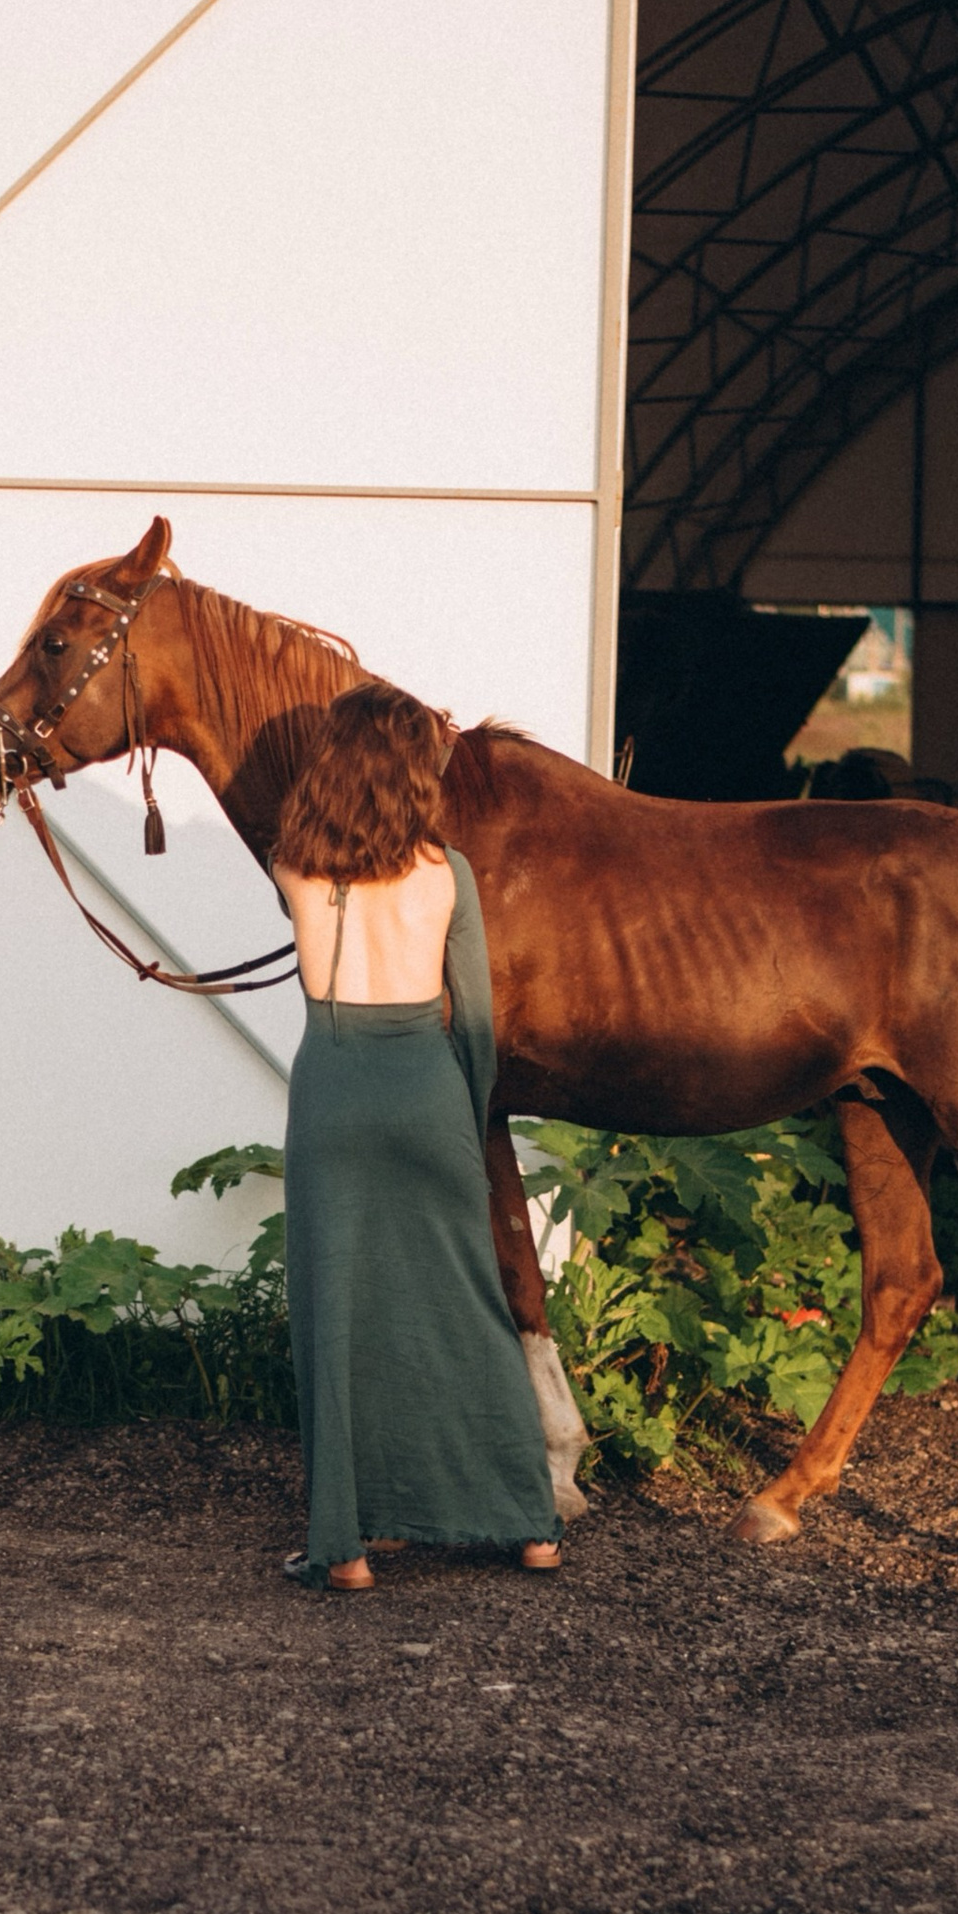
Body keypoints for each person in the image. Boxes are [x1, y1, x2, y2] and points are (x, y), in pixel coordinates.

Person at [271, 682, 561, 1594]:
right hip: (427, 1087)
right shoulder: (450, 875)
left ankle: (347, 1545)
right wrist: (459, 1117)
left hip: (334, 1085)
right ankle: (532, 1523)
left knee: (339, 1311)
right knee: (468, 1301)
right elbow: (472, 1020)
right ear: (413, 774)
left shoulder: (294, 867)